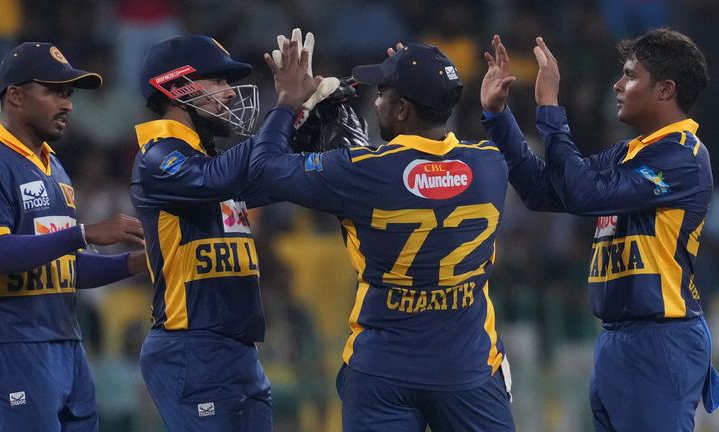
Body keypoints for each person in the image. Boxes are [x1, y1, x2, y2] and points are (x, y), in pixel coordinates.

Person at [251, 41, 515, 431]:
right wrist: (414, 70)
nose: (374, 104)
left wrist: (287, 104)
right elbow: (415, 174)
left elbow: (264, 167)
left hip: (382, 372)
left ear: (403, 109)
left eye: (382, 93)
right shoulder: (490, 164)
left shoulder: (360, 172)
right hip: (469, 368)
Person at [480, 30, 717, 431]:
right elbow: (544, 191)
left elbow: (583, 193)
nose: (617, 85)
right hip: (615, 339)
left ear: (665, 90)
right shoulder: (629, 153)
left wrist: (550, 107)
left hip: (660, 340)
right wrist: (499, 118)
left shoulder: (683, 158)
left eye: (630, 76)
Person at [0, 42, 148, 432]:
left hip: (65, 343)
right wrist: (83, 232)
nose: (68, 104)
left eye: (69, 94)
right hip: (8, 345)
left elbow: (65, 267)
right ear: (17, 96)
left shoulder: (54, 166)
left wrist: (140, 262)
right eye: (55, 92)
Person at [129, 34, 319, 431]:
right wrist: (282, 107)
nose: (232, 95)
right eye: (220, 81)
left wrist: (309, 119)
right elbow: (215, 179)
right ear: (178, 88)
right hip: (190, 345)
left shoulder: (210, 159)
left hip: (237, 348)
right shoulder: (157, 155)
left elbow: (278, 176)